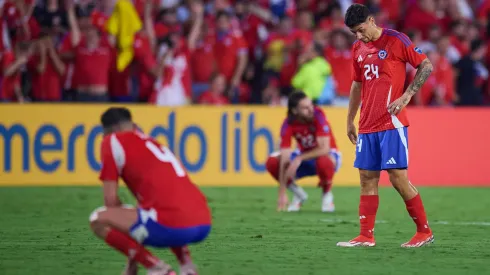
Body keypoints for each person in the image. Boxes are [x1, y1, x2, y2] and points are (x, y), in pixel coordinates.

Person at [337, 4, 434, 248]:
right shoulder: (357, 48)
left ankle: (424, 231)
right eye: (353, 33)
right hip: (367, 124)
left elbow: (426, 65)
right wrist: (350, 119)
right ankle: (366, 236)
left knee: (397, 178)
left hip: (392, 122)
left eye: (360, 30)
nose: (358, 36)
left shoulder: (396, 40)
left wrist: (407, 96)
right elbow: (357, 84)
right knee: (366, 178)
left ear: (371, 20)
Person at [89, 107, 212, 275]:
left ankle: (157, 267)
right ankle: (187, 265)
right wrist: (131, 258)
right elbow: (145, 212)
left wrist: (134, 253)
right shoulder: (151, 142)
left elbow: (110, 202)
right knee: (158, 209)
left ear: (112, 130)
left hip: (171, 225)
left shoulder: (112, 141)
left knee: (98, 218)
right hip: (203, 221)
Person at [265, 91, 341, 212]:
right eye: (305, 108)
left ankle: (327, 194)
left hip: (327, 156)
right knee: (272, 162)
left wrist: (299, 158)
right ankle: (298, 194)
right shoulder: (288, 124)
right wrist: (282, 193)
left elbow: (325, 148)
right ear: (295, 111)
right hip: (304, 157)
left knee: (324, 161)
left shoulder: (318, 114)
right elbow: (284, 158)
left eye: (311, 105)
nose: (311, 109)